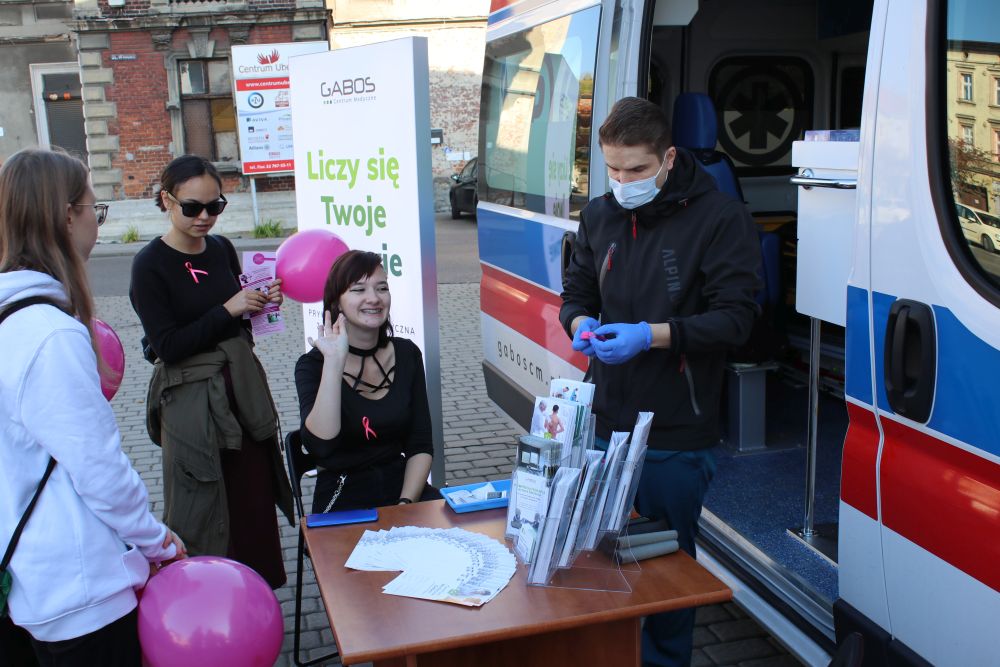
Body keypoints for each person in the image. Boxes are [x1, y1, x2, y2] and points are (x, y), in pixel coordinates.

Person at [559, 97, 761, 667]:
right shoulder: (600, 215)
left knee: (668, 569)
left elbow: (738, 320)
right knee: (599, 558)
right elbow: (576, 292)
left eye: (637, 170)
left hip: (675, 428)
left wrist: (651, 336)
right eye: (613, 170)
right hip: (604, 422)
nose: (622, 182)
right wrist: (580, 323)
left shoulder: (720, 219)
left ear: (669, 158)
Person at [0, 148, 186, 666]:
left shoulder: (10, 317)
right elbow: (99, 469)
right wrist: (157, 541)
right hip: (76, 592)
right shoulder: (51, 333)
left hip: (30, 581)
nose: (95, 224)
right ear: (66, 216)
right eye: (94, 209)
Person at [130, 155, 293, 590]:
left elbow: (239, 320)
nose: (205, 217)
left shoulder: (221, 249)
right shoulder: (149, 265)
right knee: (203, 500)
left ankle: (254, 594)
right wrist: (228, 310)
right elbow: (166, 346)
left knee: (251, 498)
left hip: (239, 393)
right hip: (190, 404)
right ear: (167, 200)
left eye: (214, 206)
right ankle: (208, 599)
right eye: (192, 207)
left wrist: (261, 300)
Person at [294, 250, 437, 513]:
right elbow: (321, 447)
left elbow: (421, 445)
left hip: (403, 488)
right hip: (343, 495)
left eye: (382, 288)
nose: (374, 298)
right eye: (359, 289)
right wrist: (334, 363)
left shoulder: (407, 354)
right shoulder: (312, 365)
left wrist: (405, 505)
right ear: (336, 303)